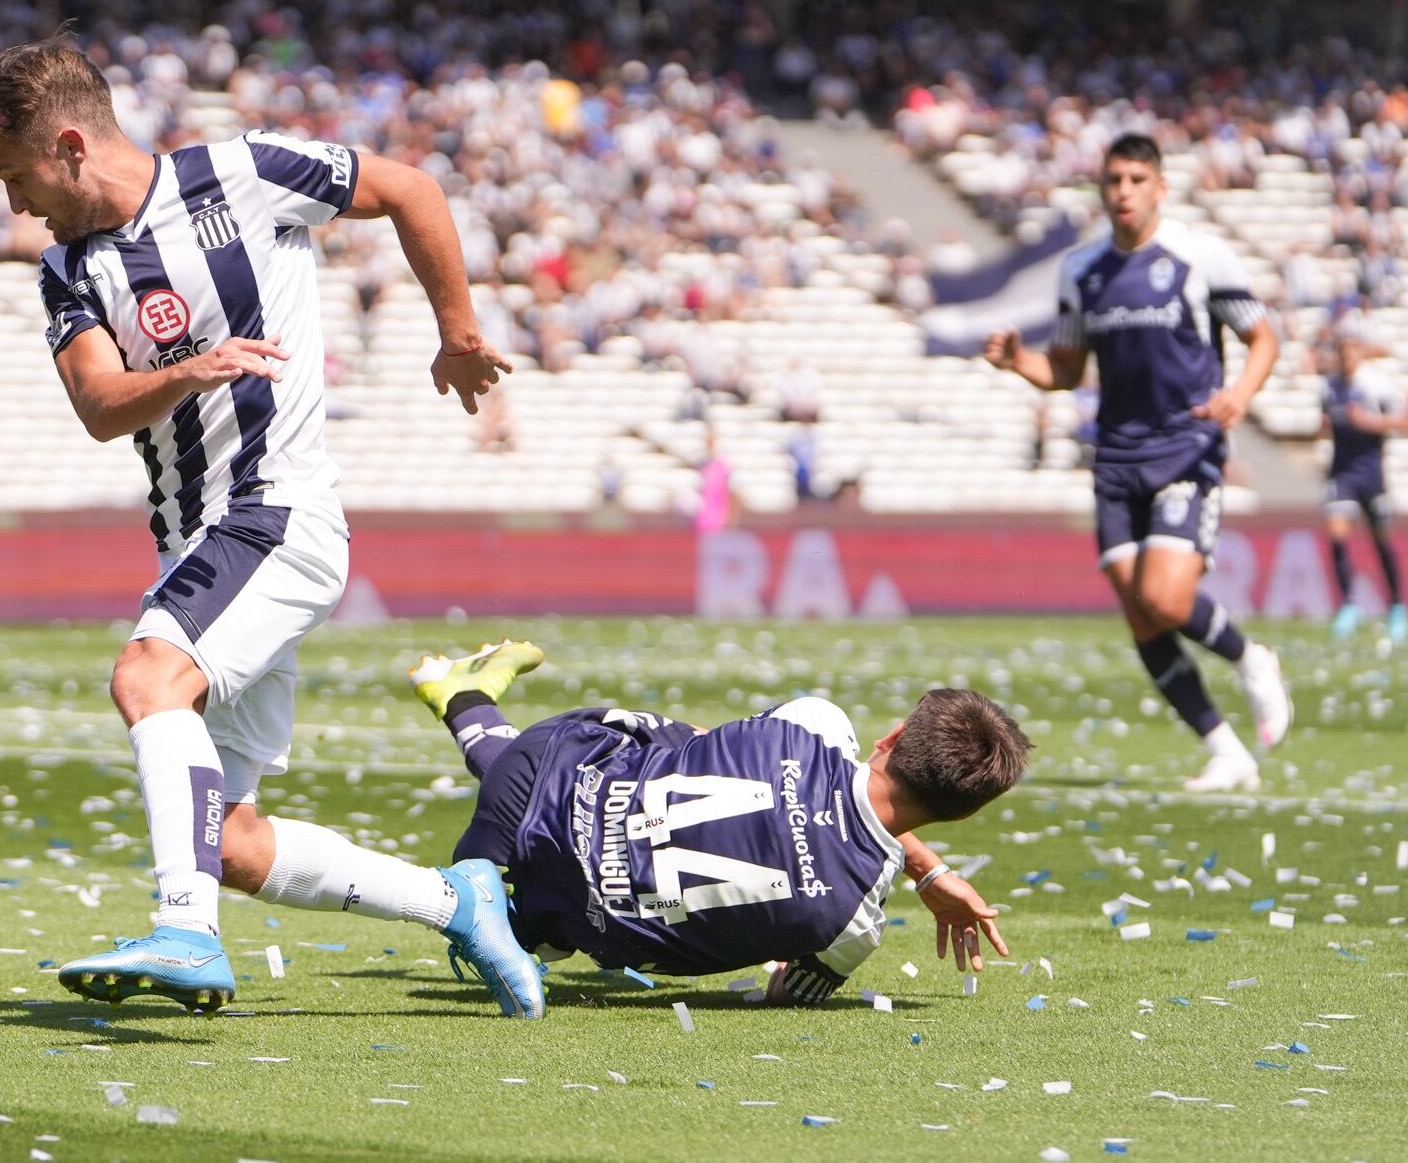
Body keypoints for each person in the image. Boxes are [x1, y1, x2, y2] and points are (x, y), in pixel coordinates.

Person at [0, 38, 539, 1018]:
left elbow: (409, 187)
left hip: (276, 511)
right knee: (225, 837)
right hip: (199, 541)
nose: (17, 204)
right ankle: (459, 901)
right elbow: (101, 404)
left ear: (67, 144)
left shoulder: (243, 172)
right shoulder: (68, 268)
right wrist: (193, 367)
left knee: (148, 677)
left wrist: (456, 325)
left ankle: (185, 933)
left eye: (17, 176)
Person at [411, 642, 1028, 1002]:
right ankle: (460, 699)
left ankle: (465, 700)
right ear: (965, 811)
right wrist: (918, 870)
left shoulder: (817, 723)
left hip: (548, 762)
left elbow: (743, 770)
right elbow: (787, 994)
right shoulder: (854, 924)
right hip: (553, 912)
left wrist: (928, 870)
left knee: (691, 747)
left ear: (889, 737)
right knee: (694, 771)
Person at [985, 133, 1291, 792]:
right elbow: (1064, 370)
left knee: (1164, 595)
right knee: (1141, 614)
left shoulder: (1198, 255)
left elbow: (1262, 335)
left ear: (1160, 187)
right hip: (1117, 459)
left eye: (1135, 179)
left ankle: (1251, 655)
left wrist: (1238, 395)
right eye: (1113, 179)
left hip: (1187, 447)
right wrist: (1018, 361)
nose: (1122, 191)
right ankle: (1226, 749)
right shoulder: (1083, 270)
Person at [1320, 326, 1408, 644]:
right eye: (1342, 349)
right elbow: (1324, 423)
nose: (1346, 355)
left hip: (1373, 474)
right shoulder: (1327, 386)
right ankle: (1347, 606)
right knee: (1337, 536)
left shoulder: (1376, 386)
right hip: (1342, 474)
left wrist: (1369, 423)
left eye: (1352, 349)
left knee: (1382, 542)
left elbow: (1403, 422)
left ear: (1360, 351)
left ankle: (1397, 606)